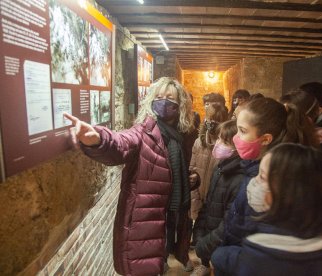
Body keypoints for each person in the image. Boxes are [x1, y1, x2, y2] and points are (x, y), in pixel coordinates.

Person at [64, 77, 194, 275]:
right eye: (159, 97)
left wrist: (193, 179)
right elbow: (122, 143)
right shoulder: (144, 131)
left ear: (180, 105)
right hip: (144, 223)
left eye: (170, 98)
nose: (164, 101)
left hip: (169, 216)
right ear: (151, 100)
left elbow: (176, 173)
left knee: (160, 261)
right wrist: (98, 139)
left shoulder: (180, 134)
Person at [212, 143, 322, 276]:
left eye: (262, 177)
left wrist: (219, 257)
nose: (254, 181)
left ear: (290, 193)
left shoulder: (263, 253)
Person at [219, 97, 319, 248]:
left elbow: (253, 237)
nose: (236, 138)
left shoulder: (267, 181)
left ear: (265, 139)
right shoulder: (251, 166)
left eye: (243, 131)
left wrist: (224, 257)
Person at [190, 120, 244, 276]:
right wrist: (199, 235)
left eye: (225, 141)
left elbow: (228, 226)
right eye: (219, 138)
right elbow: (207, 205)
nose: (218, 143)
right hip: (211, 245)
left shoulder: (240, 179)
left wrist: (203, 246)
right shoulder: (220, 168)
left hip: (224, 250)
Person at [189, 102, 228, 222]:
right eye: (209, 118)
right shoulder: (198, 143)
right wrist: (194, 207)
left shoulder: (226, 148)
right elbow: (192, 172)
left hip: (215, 205)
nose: (212, 123)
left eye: (216, 120)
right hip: (197, 200)